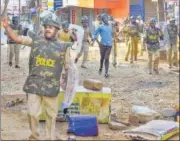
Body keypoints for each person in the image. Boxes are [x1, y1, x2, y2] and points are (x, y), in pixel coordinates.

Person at [2, 11, 76, 140]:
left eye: (51, 27)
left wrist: (66, 82)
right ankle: (34, 137)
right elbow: (17, 39)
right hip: (33, 86)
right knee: (32, 114)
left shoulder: (63, 47)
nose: (48, 29)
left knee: (51, 117)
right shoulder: (35, 40)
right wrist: (7, 26)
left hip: (51, 88)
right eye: (46, 27)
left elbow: (68, 68)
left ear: (57, 30)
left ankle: (49, 138)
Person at [92, 13, 113, 78]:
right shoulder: (100, 27)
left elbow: (111, 33)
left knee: (107, 58)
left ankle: (106, 72)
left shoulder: (110, 26)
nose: (106, 19)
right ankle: (101, 67)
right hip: (102, 45)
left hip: (109, 45)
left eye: (107, 18)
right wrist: (96, 40)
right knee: (102, 58)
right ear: (103, 20)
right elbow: (94, 34)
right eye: (105, 18)